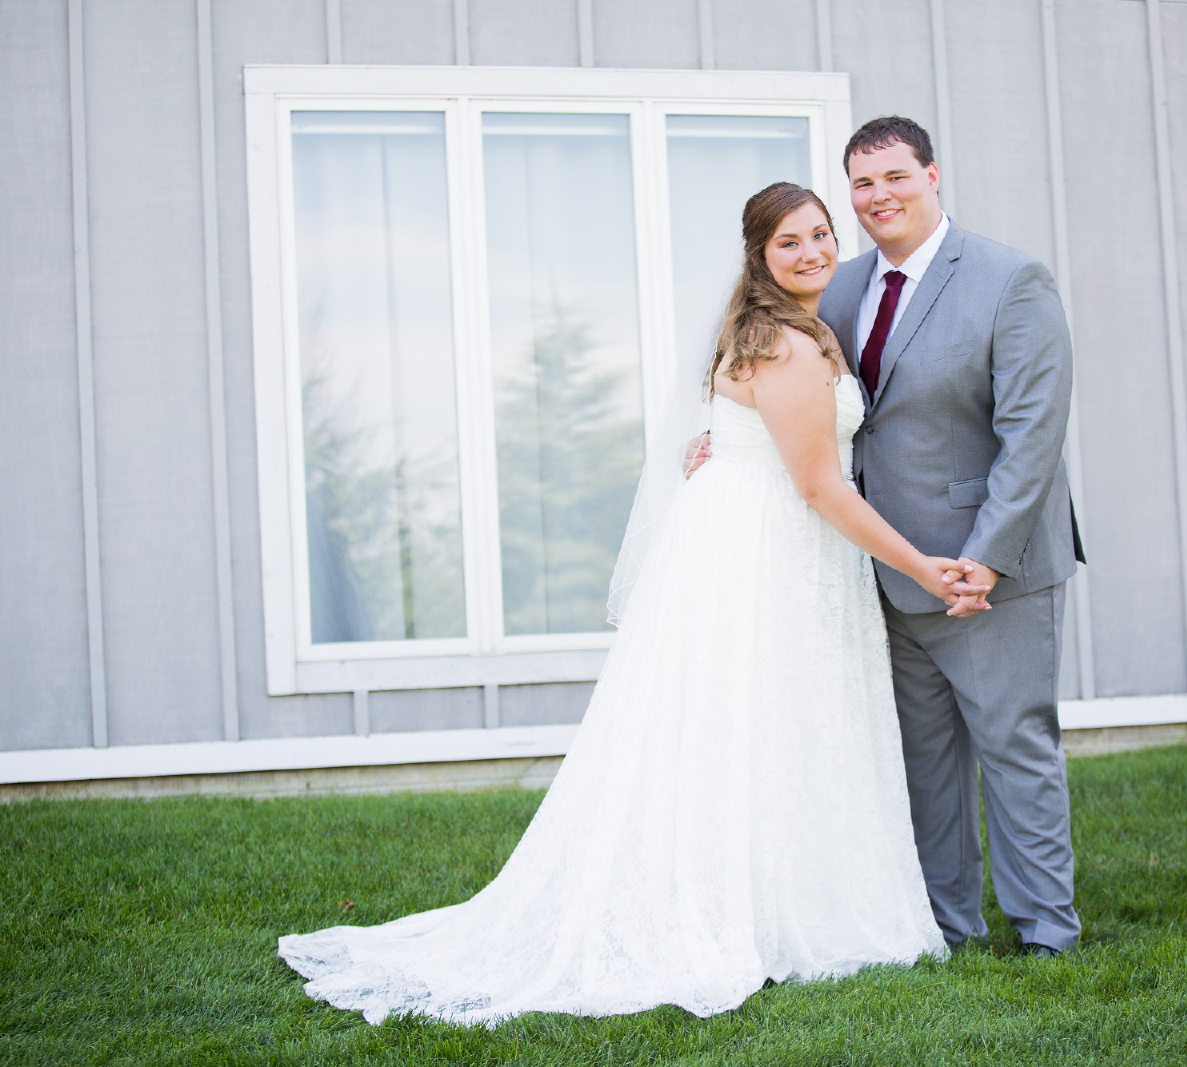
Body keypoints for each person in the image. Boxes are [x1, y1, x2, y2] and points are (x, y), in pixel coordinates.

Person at [278, 182, 962, 1025]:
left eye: (822, 234)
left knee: (764, 730)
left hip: (758, 545)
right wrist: (924, 568)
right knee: (764, 724)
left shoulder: (778, 329)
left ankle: (772, 899)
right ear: (760, 257)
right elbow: (819, 483)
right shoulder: (784, 342)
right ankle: (756, 911)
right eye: (790, 242)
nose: (815, 251)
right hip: (769, 556)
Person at [690, 116, 1084, 957]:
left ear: (933, 176)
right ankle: (943, 922)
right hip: (877, 566)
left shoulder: (1011, 280)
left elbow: (1033, 436)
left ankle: (1047, 930)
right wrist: (721, 437)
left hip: (986, 570)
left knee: (1015, 748)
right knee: (922, 764)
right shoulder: (835, 284)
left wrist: (981, 558)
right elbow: (790, 398)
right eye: (862, 184)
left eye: (895, 178)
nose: (879, 198)